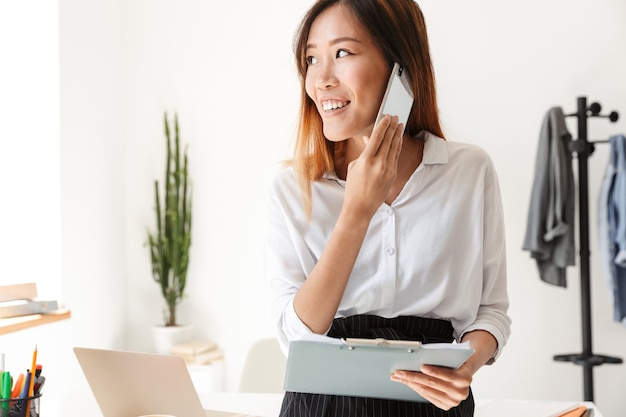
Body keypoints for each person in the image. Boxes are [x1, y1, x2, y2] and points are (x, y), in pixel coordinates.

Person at [265, 0, 511, 416]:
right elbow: (295, 336)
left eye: (342, 53)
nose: (320, 79)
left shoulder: (469, 171)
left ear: (400, 66)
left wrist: (464, 367)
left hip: (432, 404)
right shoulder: (293, 188)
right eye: (311, 59)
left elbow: (491, 313)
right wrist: (357, 211)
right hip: (323, 407)